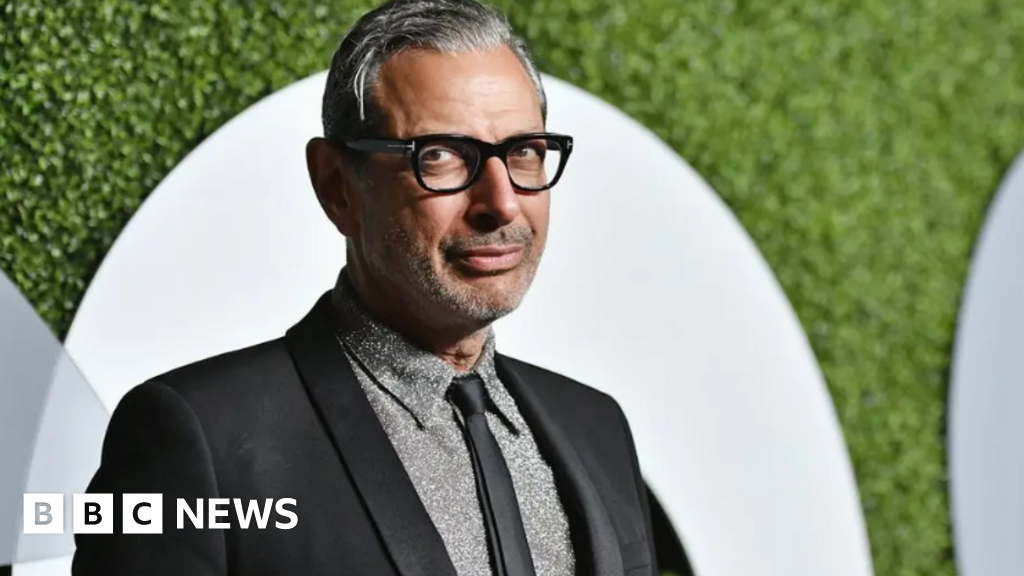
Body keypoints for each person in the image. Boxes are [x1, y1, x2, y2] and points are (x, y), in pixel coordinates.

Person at [72, 0, 657, 574]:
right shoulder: (197, 438)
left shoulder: (597, 427)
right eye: (442, 156)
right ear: (336, 186)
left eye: (524, 152)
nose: (502, 203)